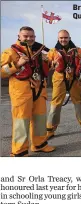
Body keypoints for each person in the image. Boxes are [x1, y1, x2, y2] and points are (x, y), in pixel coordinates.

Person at [1, 26, 55, 156]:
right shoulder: (10, 52)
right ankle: (19, 151)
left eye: (32, 36)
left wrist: (51, 63)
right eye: (26, 36)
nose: (29, 38)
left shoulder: (38, 52)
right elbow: (2, 72)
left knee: (40, 119)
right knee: (21, 121)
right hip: (21, 93)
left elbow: (44, 69)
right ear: (19, 36)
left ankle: (39, 144)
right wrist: (17, 64)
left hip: (39, 90)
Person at [46, 30, 81, 139]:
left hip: (74, 79)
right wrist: (52, 63)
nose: (63, 40)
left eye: (66, 37)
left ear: (69, 38)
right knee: (55, 103)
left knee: (78, 102)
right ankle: (50, 129)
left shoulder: (78, 50)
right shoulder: (53, 51)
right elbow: (47, 66)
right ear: (58, 38)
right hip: (59, 79)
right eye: (61, 38)